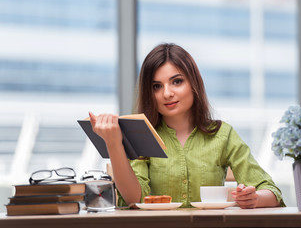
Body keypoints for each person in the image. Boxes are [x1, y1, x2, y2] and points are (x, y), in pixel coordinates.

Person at [89, 43, 284, 209]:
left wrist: (254, 198)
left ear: (194, 83)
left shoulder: (222, 135)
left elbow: (271, 191)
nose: (167, 93)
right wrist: (114, 144)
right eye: (157, 86)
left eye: (177, 81)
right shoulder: (142, 135)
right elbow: (134, 200)